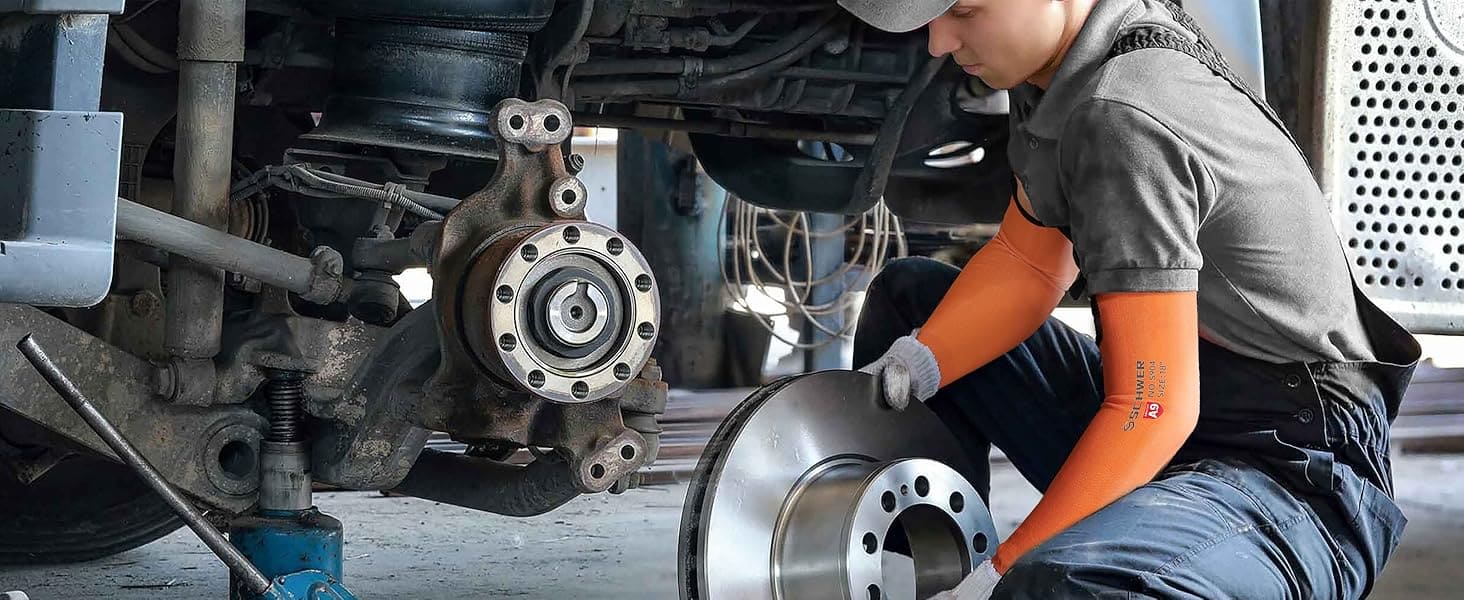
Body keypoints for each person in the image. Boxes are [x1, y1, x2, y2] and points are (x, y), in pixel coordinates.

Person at [841, 0, 1421, 598]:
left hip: (1290, 474)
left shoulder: (1121, 113)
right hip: (1189, 418)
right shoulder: (1059, 68)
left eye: (963, 10)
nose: (937, 42)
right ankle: (922, 577)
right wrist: (920, 363)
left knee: (1066, 584)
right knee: (913, 306)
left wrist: (1002, 573)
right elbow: (1028, 263)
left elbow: (1153, 410)